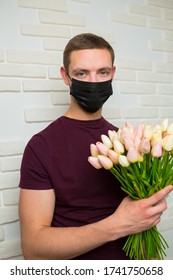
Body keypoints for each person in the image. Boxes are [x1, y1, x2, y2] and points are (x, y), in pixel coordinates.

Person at [19, 33, 172, 260]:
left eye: (103, 72)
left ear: (113, 74)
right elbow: (33, 250)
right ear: (65, 76)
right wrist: (118, 224)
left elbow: (141, 223)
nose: (93, 82)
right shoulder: (41, 147)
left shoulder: (126, 141)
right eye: (82, 73)